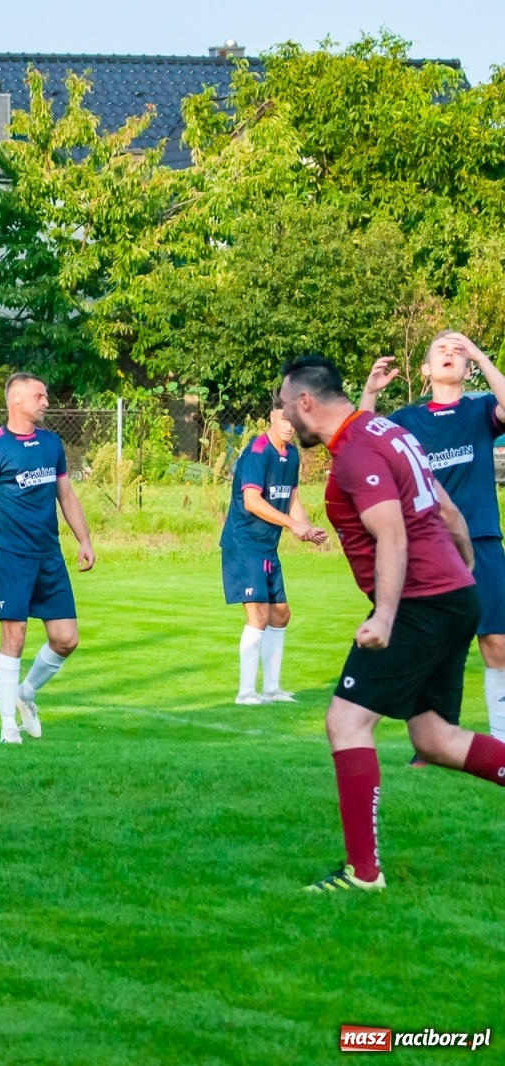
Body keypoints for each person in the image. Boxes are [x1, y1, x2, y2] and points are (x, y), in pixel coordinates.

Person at [279, 355, 505, 892]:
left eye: (286, 406)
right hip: (451, 595)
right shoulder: (386, 432)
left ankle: (363, 873)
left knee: (346, 722)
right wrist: (465, 563)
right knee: (434, 738)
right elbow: (447, 510)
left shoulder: (358, 451)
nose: (285, 416)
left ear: (306, 401)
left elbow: (393, 536)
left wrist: (383, 616)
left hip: (418, 604)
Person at [361, 332, 505, 740]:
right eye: (439, 350)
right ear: (424, 370)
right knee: (434, 645)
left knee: (496, 643)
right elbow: (363, 439)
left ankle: (499, 743)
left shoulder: (479, 412)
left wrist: (479, 353)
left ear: (466, 368)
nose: (449, 354)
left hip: (481, 541)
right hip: (429, 547)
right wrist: (369, 394)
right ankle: (435, 741)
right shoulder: (408, 420)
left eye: (456, 351)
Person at [0, 373, 96, 744]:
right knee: (15, 636)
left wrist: (84, 539)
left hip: (49, 556)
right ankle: (9, 726)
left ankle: (26, 693)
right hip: (11, 556)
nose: (46, 401)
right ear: (17, 400)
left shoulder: (51, 443)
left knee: (66, 638)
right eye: (40, 396)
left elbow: (66, 496)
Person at [219, 394, 329, 705]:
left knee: (281, 615)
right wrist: (291, 525)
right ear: (271, 416)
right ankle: (245, 693)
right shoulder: (257, 452)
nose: (289, 426)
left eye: (294, 421)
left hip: (267, 548)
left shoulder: (292, 455)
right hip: (244, 545)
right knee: (259, 615)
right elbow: (253, 501)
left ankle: (271, 689)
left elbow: (292, 497)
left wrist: (305, 528)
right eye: (284, 419)